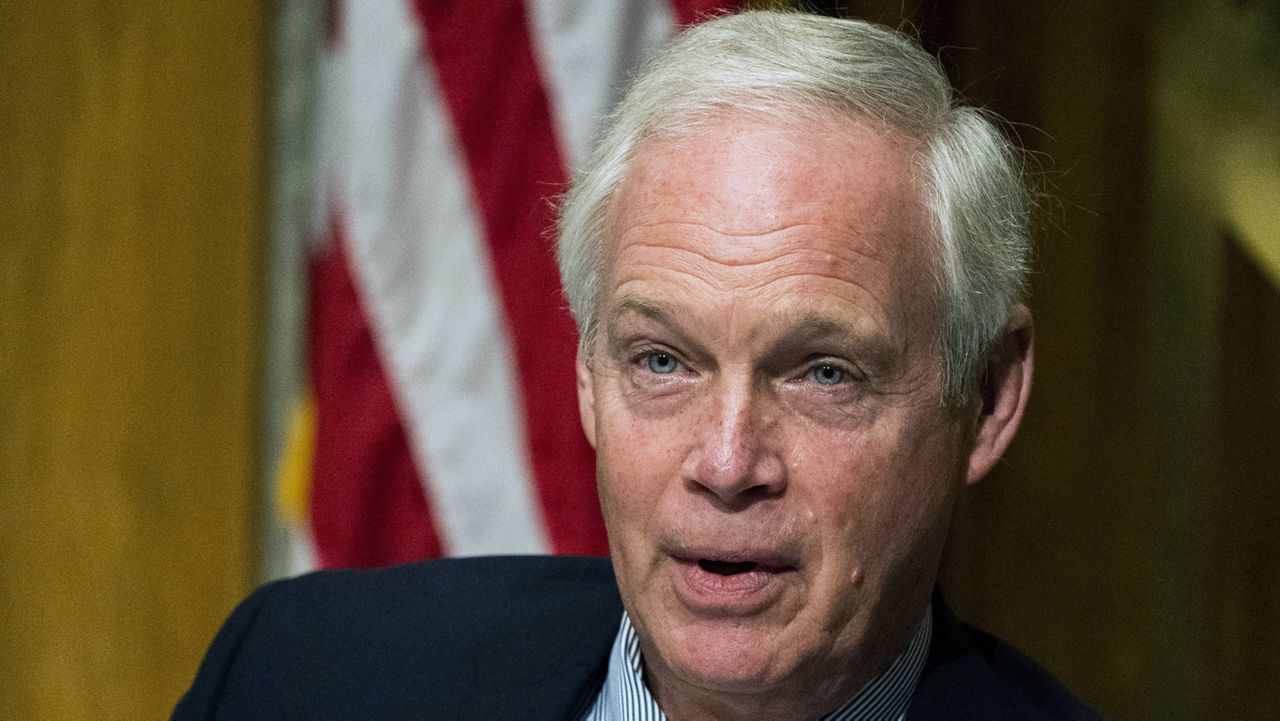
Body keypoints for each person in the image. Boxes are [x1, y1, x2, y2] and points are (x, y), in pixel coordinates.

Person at [174, 10, 1098, 720]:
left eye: (825, 373)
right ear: (586, 373)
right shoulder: (300, 675)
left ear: (986, 394)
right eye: (663, 360)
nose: (727, 463)